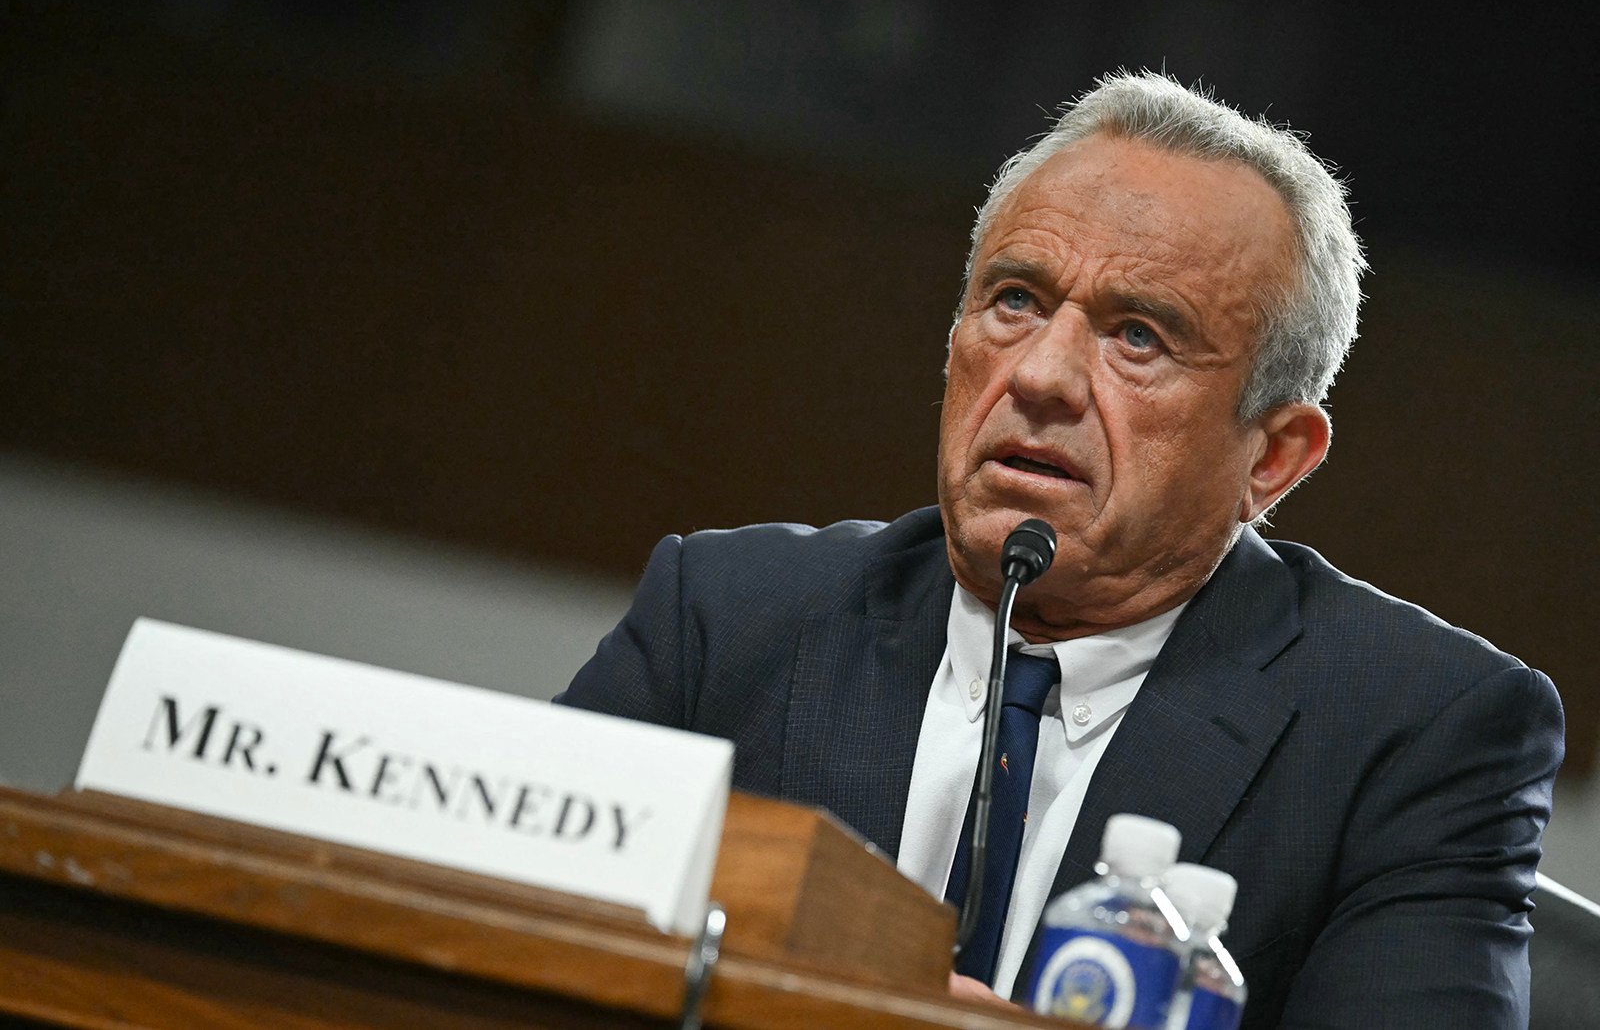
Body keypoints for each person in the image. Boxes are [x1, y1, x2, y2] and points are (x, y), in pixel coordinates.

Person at [558, 71, 1564, 1028]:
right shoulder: (725, 617)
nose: (1040, 374)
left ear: (1273, 458)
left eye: (1138, 337)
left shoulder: (1412, 732)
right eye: (1015, 300)